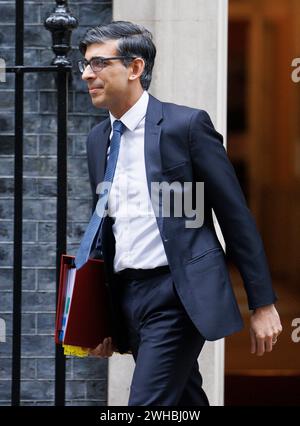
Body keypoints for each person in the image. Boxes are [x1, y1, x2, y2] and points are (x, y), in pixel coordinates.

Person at [75, 21, 282, 406]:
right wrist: (99, 315)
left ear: (135, 68)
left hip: (177, 293)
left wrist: (262, 302)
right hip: (127, 294)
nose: (88, 74)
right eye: (85, 64)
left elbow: (233, 214)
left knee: (146, 404)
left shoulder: (185, 126)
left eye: (99, 63)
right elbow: (106, 228)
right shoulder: (97, 139)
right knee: (185, 402)